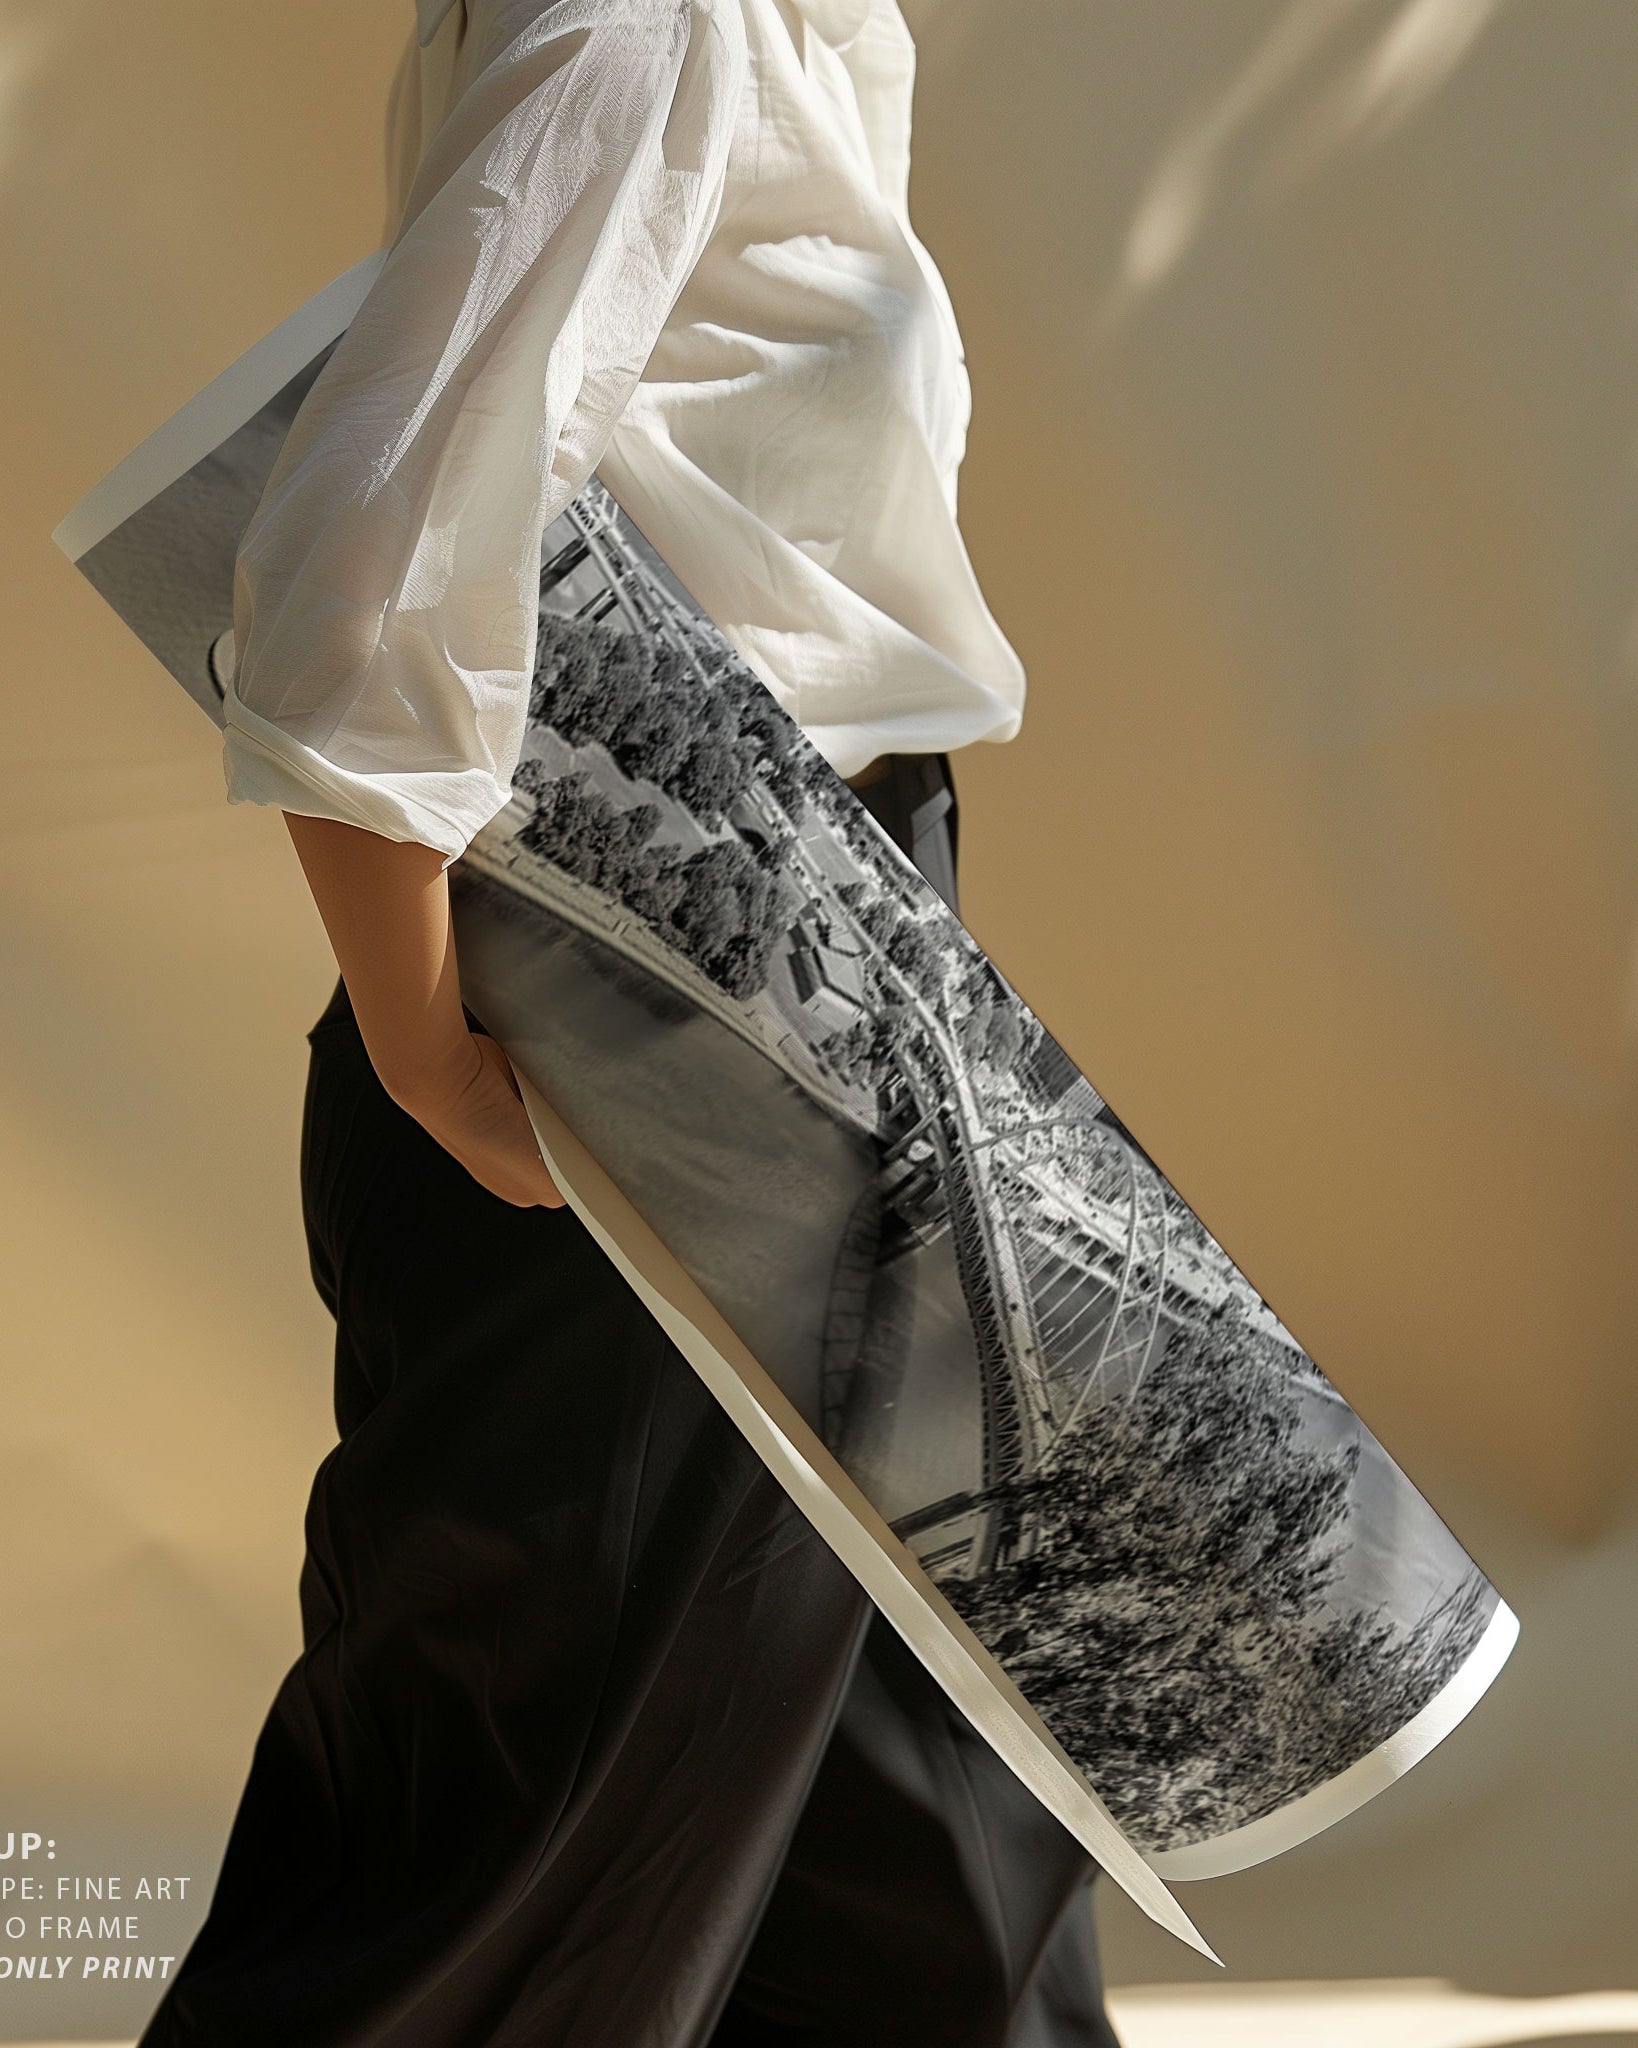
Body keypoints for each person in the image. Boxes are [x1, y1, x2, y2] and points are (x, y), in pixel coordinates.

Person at [136, 2, 1122, 2042]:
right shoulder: (648, 16)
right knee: (495, 1851)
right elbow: (365, 554)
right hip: (652, 981)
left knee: (936, 1818)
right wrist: (426, 1049)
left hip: (838, 930)